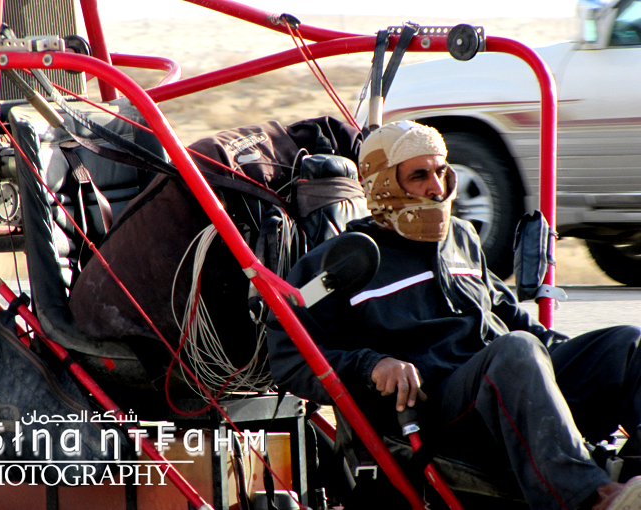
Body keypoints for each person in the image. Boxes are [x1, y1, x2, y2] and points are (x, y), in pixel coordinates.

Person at [265, 120, 641, 510]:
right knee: (516, 351)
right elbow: (290, 357)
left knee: (626, 345)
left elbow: (512, 320)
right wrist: (371, 366)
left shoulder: (461, 237)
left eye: (442, 171)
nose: (437, 186)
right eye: (419, 175)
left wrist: (582, 359)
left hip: (510, 383)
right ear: (383, 184)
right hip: (437, 412)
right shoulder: (340, 262)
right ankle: (591, 500)